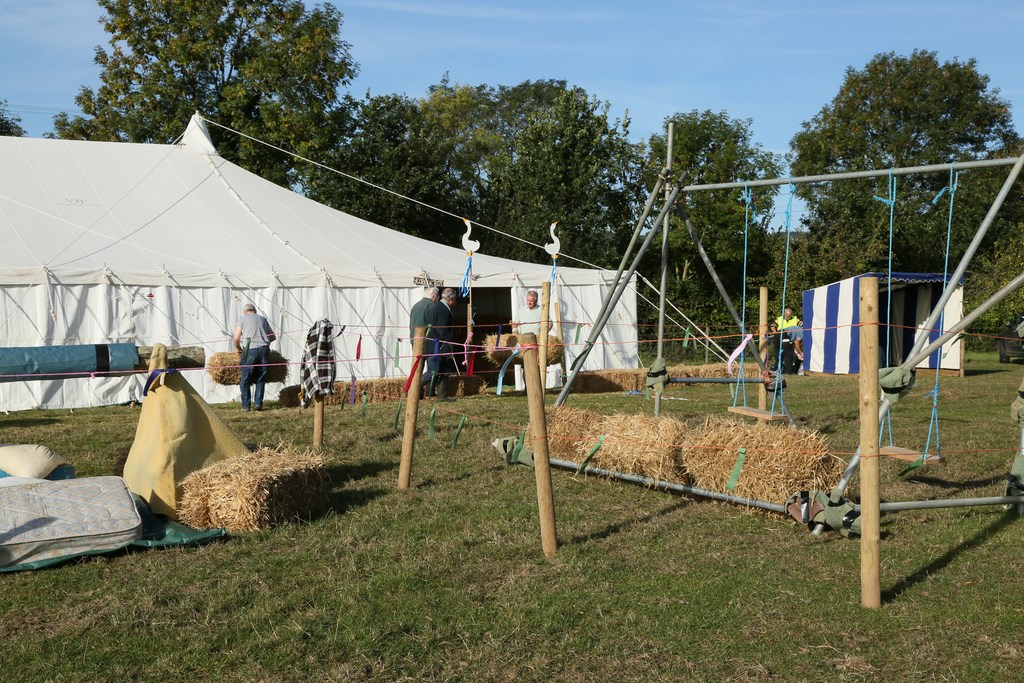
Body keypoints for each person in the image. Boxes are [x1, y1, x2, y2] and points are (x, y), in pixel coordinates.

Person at [233, 303, 276, 411]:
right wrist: (264, 342)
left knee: (245, 379)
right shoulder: (263, 319)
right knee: (261, 378)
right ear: (254, 310)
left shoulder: (242, 319)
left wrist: (239, 348)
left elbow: (236, 338)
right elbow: (273, 336)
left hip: (249, 349)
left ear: (245, 311)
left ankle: (246, 406)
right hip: (264, 350)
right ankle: (258, 404)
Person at [426, 288, 460, 402]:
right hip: (440, 345)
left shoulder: (437, 307)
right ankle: (442, 395)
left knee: (437, 370)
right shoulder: (443, 309)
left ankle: (439, 395)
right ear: (451, 299)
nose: (455, 302)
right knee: (440, 371)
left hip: (435, 343)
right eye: (455, 299)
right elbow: (442, 330)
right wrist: (451, 341)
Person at [771, 307, 803, 375]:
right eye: (787, 315)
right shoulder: (779, 319)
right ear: (784, 314)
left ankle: (786, 370)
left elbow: (802, 325)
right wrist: (775, 333)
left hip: (789, 337)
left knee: (788, 354)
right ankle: (782, 370)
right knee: (782, 353)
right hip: (781, 335)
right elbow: (772, 326)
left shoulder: (795, 319)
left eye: (790, 315)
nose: (789, 317)